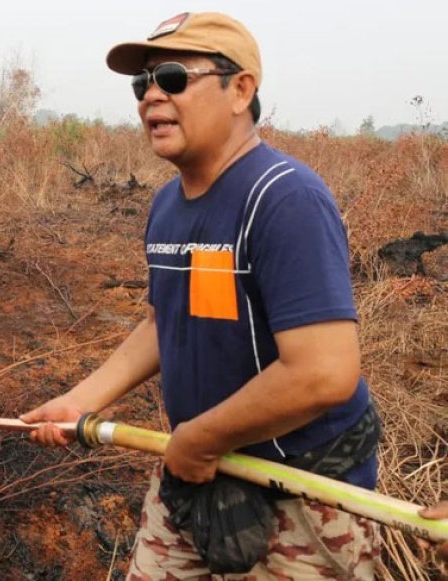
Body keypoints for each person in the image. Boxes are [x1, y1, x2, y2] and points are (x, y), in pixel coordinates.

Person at [21, 12, 383, 579]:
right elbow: (165, 322)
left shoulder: (285, 201)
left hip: (300, 496)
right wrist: (81, 400)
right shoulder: (168, 205)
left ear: (240, 90)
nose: (151, 96)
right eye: (143, 84)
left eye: (172, 76)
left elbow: (324, 374)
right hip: (196, 476)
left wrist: (198, 437)